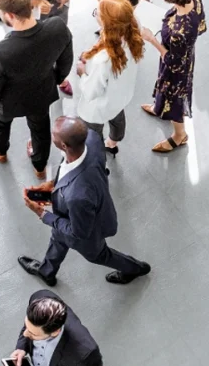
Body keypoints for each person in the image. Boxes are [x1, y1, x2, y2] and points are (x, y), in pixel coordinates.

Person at [18, 117, 151, 285]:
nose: (51, 136)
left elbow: (78, 232)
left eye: (53, 134)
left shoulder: (78, 196)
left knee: (98, 255)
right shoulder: (92, 139)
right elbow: (70, 169)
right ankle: (47, 272)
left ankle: (135, 269)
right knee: (58, 238)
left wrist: (43, 214)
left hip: (86, 230)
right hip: (75, 212)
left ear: (64, 145)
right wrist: (53, 184)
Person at [0, 0, 74, 179]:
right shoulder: (57, 27)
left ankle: (0, 151)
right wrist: (56, 79)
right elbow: (66, 60)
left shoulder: (1, 52)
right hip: (40, 94)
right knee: (40, 130)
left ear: (10, 15)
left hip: (8, 103)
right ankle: (39, 166)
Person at [140, 0, 206, 153]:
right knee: (163, 86)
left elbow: (171, 60)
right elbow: (201, 25)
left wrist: (151, 39)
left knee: (174, 97)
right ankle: (159, 106)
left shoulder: (180, 32)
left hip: (177, 67)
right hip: (184, 54)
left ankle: (179, 135)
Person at [76, 0, 144, 155]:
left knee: (93, 135)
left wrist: (82, 73)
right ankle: (113, 142)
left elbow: (91, 92)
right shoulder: (134, 31)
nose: (95, 15)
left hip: (98, 107)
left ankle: (99, 157)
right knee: (117, 117)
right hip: (121, 96)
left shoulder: (103, 60)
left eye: (97, 13)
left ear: (107, 24)